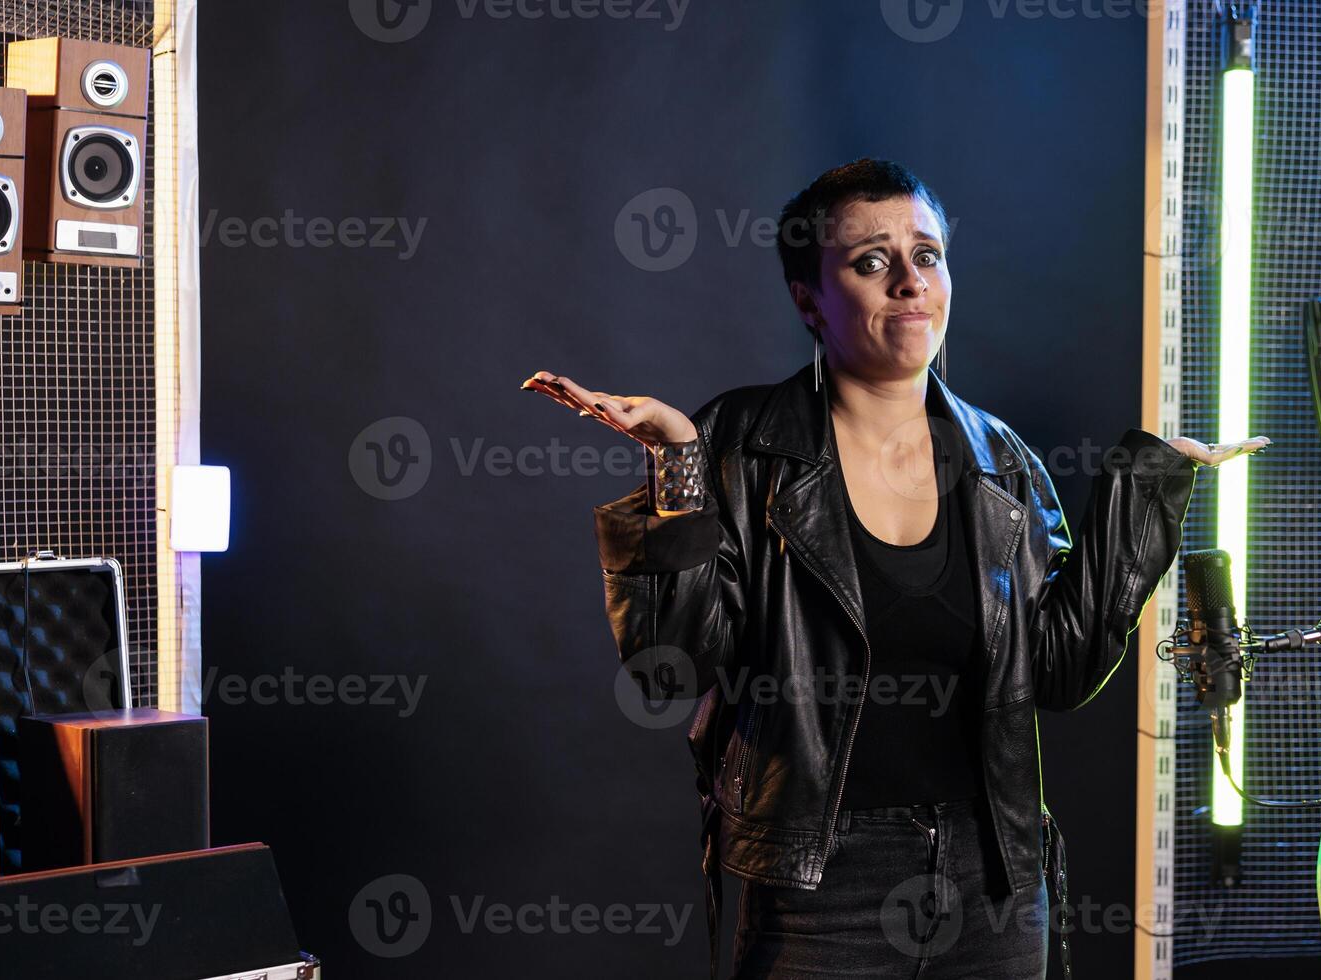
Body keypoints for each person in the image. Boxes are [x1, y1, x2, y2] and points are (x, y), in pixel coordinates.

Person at [522, 158, 1269, 979]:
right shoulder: (739, 444)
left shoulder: (1000, 462)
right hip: (819, 888)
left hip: (995, 881)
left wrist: (1145, 494)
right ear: (809, 300)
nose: (910, 281)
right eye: (872, 261)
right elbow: (672, 670)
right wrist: (679, 470)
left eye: (929, 255)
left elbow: (1056, 670)